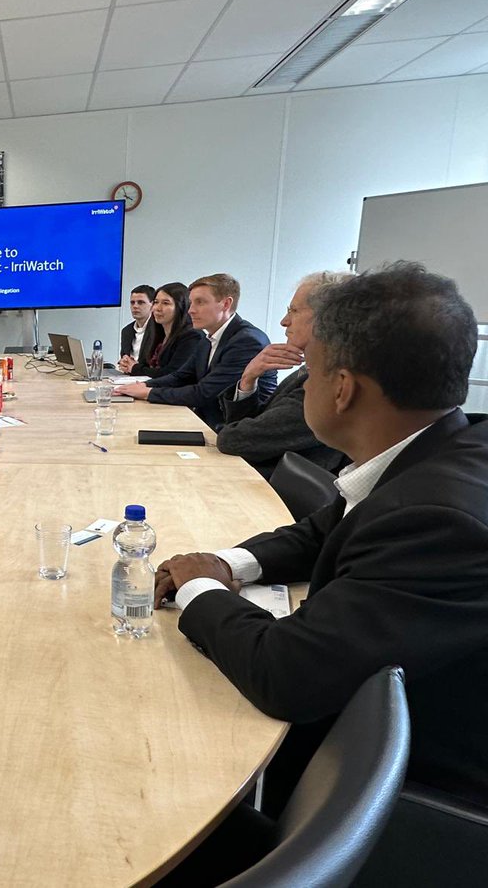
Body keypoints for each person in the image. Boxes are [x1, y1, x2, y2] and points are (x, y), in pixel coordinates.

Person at [154, 261, 488, 811]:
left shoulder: (436, 520)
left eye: (308, 367)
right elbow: (320, 533)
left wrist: (197, 589)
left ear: (341, 389)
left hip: (389, 798)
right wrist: (225, 563)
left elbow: (286, 674)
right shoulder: (435, 450)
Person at [215, 271, 350, 478]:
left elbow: (235, 440)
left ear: (327, 319)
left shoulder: (329, 384)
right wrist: (248, 380)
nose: (284, 321)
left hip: (275, 493)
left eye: (294, 311)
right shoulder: (308, 370)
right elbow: (252, 424)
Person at [115, 274, 275, 429]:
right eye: (191, 303)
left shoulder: (246, 341)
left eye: (200, 302)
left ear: (226, 304)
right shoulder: (209, 337)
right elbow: (180, 377)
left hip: (231, 430)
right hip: (207, 421)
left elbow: (204, 393)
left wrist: (148, 392)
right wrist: (140, 385)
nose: (191, 310)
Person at [116, 282, 204, 378]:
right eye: (156, 302)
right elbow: (148, 365)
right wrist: (128, 364)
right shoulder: (159, 333)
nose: (157, 308)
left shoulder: (191, 336)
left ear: (181, 306)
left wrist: (135, 368)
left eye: (166, 303)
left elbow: (172, 374)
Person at [117, 284, 157, 370]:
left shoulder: (158, 329)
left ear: (153, 305)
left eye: (141, 302)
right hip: (128, 376)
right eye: (132, 302)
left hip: (147, 376)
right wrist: (123, 362)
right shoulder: (126, 331)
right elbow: (124, 357)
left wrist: (135, 368)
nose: (135, 306)